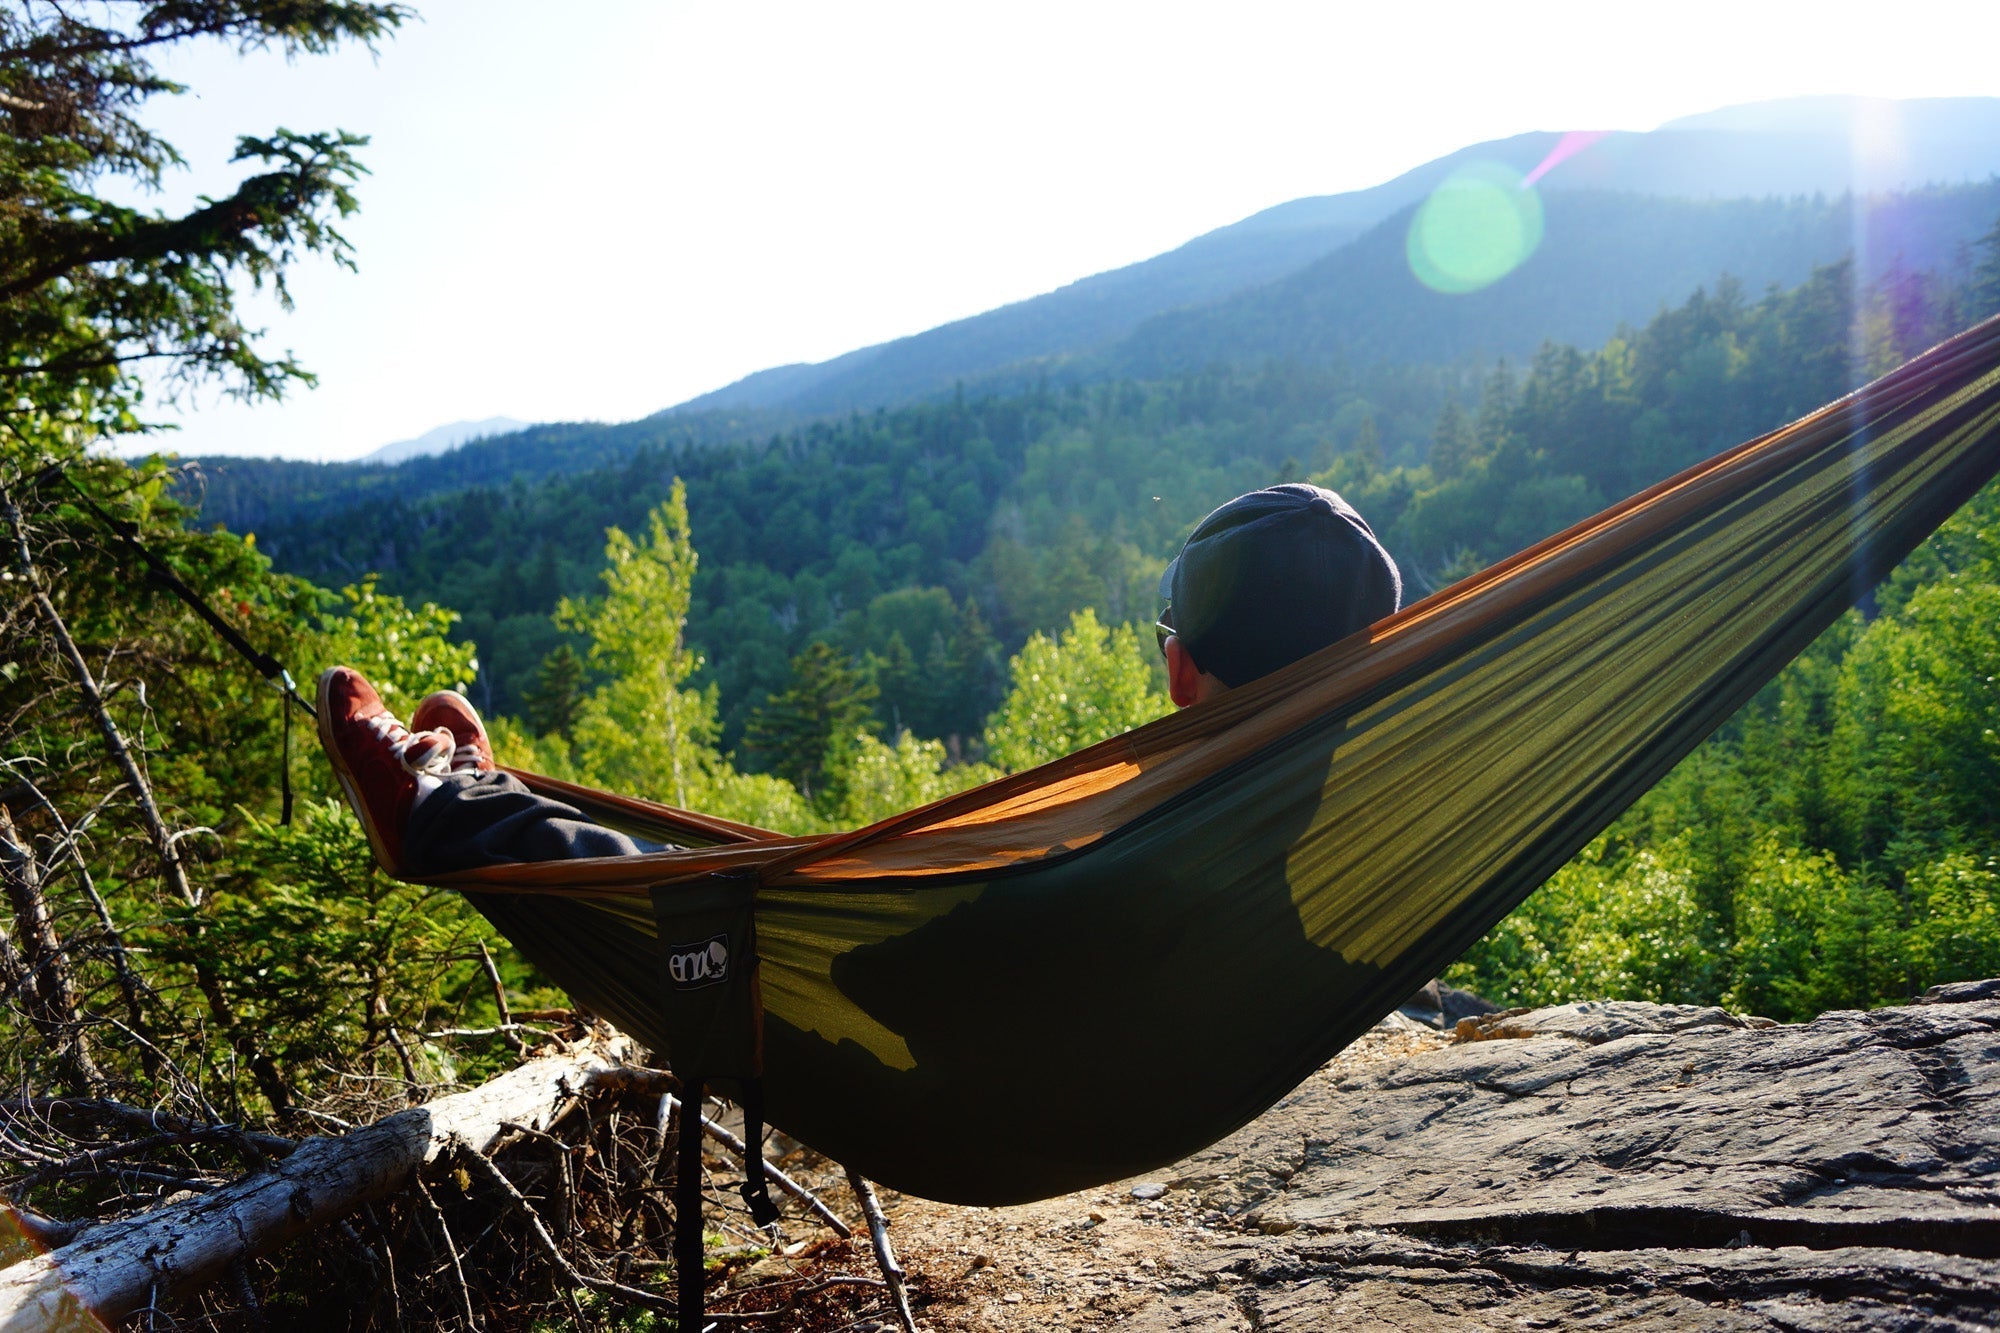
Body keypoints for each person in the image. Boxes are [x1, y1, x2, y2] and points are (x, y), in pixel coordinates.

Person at [318, 482, 1401, 877]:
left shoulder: (1143, 841)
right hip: (1175, 1037)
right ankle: (487, 800)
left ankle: (444, 808)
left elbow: (870, 965)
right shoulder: (1345, 839)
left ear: (1176, 670)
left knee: (716, 896)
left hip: (960, 1045)